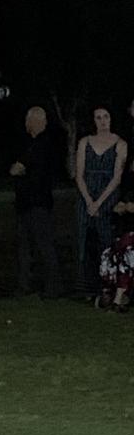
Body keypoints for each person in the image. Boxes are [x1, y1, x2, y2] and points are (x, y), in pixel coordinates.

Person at [9, 106, 62, 298]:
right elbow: (16, 168)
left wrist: (22, 169)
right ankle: (25, 284)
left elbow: (19, 169)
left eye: (28, 119)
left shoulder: (44, 144)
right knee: (24, 246)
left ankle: (53, 286)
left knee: (43, 244)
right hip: (25, 203)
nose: (26, 123)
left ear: (37, 121)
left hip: (38, 203)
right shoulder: (28, 144)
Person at [75, 107, 128, 298]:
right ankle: (85, 287)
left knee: (106, 240)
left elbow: (117, 177)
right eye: (98, 117)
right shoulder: (84, 143)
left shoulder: (120, 144)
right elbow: (79, 174)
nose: (102, 121)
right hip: (86, 192)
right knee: (84, 238)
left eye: (106, 116)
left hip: (107, 194)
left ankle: (107, 285)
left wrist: (99, 202)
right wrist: (89, 200)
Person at [97, 189, 134, 312]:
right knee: (109, 254)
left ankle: (118, 298)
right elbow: (117, 208)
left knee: (127, 252)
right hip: (126, 233)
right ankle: (109, 290)